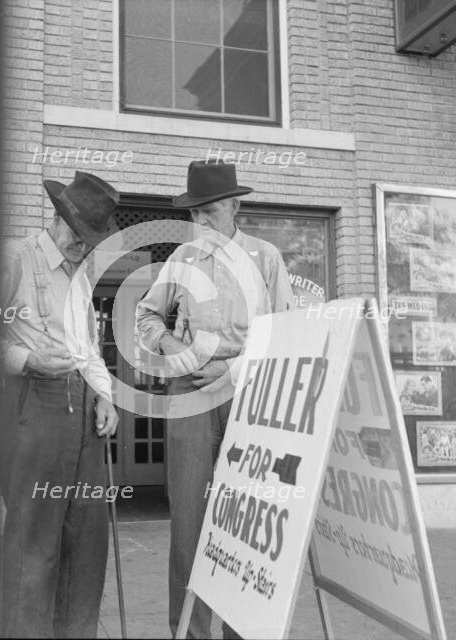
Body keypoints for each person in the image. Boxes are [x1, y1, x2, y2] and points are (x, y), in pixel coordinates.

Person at [136, 159, 294, 639]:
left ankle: (242, 631)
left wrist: (236, 369)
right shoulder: (181, 261)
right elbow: (147, 318)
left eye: (210, 212)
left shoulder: (266, 259)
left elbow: (286, 333)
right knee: (189, 521)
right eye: (194, 214)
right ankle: (189, 633)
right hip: (189, 397)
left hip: (251, 400)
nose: (201, 223)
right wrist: (169, 345)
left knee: (246, 523)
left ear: (235, 207)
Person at [0, 172, 119, 638]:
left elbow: (88, 346)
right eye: (78, 235)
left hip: (84, 411)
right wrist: (27, 360)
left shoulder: (81, 276)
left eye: (91, 241)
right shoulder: (14, 259)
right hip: (36, 404)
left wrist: (105, 395)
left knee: (86, 542)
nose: (82, 247)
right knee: (34, 542)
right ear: (58, 217)